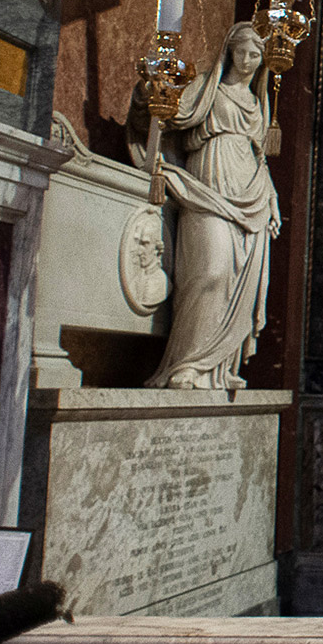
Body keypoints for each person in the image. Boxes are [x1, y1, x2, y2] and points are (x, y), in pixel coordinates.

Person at [131, 20, 281, 389]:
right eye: (240, 52)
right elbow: (170, 112)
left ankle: (218, 369)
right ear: (229, 52)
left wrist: (273, 199)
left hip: (252, 193)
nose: (246, 60)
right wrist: (151, 92)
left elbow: (260, 157)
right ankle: (186, 364)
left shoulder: (257, 103)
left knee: (237, 282)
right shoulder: (207, 87)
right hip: (208, 185)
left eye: (254, 54)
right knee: (210, 272)